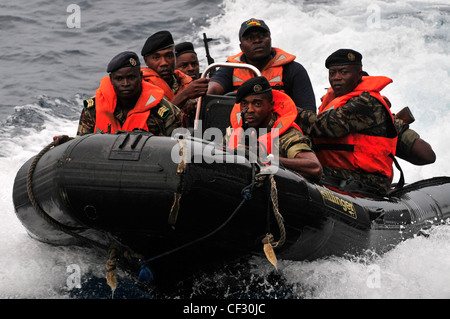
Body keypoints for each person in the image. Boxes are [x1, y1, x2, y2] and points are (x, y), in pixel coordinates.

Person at [296, 49, 435, 197]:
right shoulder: (333, 103)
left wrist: (286, 109)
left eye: (344, 72)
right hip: (333, 179)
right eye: (332, 73)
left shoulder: (367, 102)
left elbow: (325, 126)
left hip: (362, 186)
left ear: (359, 75)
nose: (337, 77)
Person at [207, 18, 317, 113]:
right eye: (250, 38)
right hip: (238, 130)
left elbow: (308, 111)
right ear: (241, 47)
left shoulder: (293, 69)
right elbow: (214, 88)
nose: (257, 40)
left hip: (282, 131)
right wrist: (199, 95)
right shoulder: (230, 68)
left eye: (262, 36)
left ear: (270, 40)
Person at [224, 76, 322, 182]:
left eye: (257, 104)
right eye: (244, 104)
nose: (250, 110)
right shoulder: (233, 133)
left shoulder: (287, 134)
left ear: (271, 105)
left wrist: (265, 158)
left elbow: (315, 168)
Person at [75, 51, 183, 137]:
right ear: (111, 80)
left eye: (131, 78)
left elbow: (178, 152)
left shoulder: (166, 112)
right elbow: (80, 145)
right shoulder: (93, 109)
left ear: (140, 77)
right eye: (119, 79)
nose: (125, 84)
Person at [141, 31, 209, 124]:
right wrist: (184, 96)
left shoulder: (183, 80)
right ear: (146, 60)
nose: (164, 62)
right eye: (156, 58)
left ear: (175, 56)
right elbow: (154, 122)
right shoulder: (140, 86)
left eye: (169, 56)